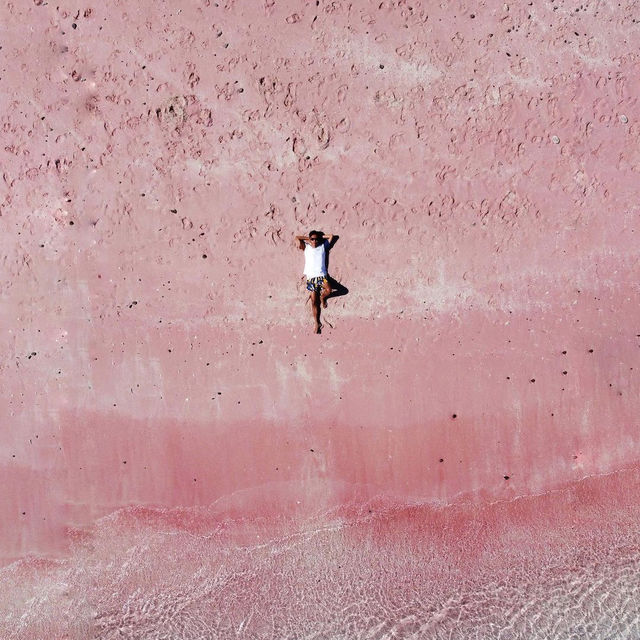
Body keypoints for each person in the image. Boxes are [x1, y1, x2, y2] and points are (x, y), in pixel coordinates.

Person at [295, 230, 335, 333]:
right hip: (311, 277)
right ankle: (317, 323)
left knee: (329, 291)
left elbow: (331, 236)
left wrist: (320, 238)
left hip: (322, 275)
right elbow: (297, 238)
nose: (314, 241)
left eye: (316, 239)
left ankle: (323, 297)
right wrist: (308, 239)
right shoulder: (306, 247)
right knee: (313, 301)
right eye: (312, 239)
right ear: (309, 239)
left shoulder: (322, 247)